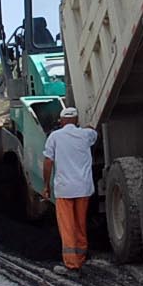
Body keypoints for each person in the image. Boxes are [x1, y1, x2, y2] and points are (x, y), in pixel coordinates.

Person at [41, 106, 98, 273]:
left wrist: (46, 186)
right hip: (84, 188)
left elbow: (48, 162)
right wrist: (85, 126)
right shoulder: (85, 135)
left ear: (61, 121)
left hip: (65, 190)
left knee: (67, 227)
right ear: (76, 120)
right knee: (80, 224)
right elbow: (93, 130)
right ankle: (80, 258)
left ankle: (71, 264)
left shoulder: (55, 137)